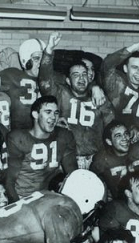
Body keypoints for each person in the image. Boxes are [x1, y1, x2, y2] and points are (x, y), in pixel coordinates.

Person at [39, 32, 114, 169]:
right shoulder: (61, 93)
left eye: (84, 74)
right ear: (68, 80)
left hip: (95, 159)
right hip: (67, 159)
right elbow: (45, 81)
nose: (81, 78)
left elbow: (112, 126)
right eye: (76, 75)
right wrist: (49, 50)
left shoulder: (99, 97)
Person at [5, 95, 77, 201]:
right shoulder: (18, 139)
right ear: (35, 114)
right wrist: (18, 206)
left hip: (50, 196)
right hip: (24, 198)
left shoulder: (64, 136)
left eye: (56, 113)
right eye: (48, 112)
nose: (53, 117)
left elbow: (73, 175)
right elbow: (9, 182)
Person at [101, 40, 139, 143]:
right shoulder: (119, 85)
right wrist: (134, 47)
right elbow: (107, 65)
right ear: (125, 68)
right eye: (134, 68)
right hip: (120, 145)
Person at [90, 120, 139, 200]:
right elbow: (91, 183)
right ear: (109, 142)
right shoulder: (102, 160)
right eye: (118, 136)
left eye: (126, 134)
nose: (124, 138)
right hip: (120, 204)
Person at [0, 38, 46, 130]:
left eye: (44, 59)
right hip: (18, 133)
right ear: (26, 60)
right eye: (37, 58)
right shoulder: (11, 75)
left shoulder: (53, 78)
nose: (41, 63)